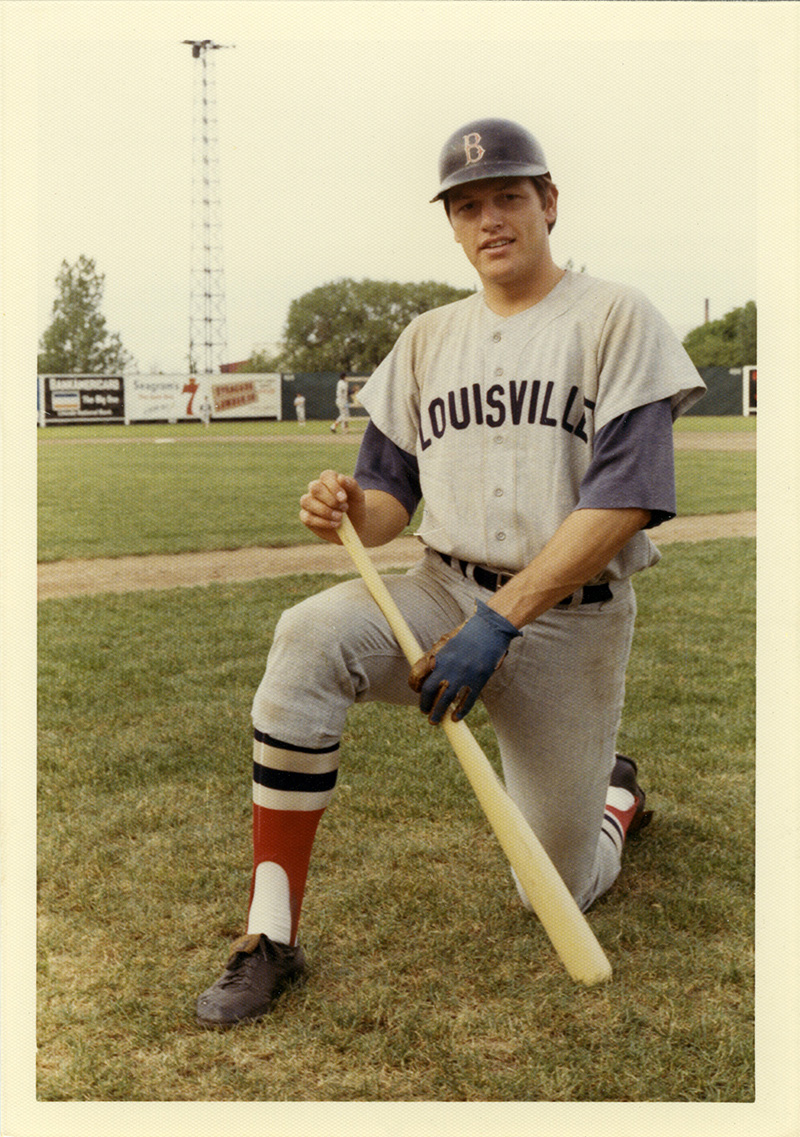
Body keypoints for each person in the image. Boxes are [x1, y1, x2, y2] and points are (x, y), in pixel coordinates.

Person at [196, 118, 705, 1028]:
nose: (490, 219)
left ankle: (613, 799)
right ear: (453, 226)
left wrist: (502, 618)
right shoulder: (429, 338)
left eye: (509, 196)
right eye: (468, 206)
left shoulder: (617, 316)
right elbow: (389, 495)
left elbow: (626, 497)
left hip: (565, 620)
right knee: (309, 634)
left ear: (549, 202)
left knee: (553, 885)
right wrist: (346, 506)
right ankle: (267, 933)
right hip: (438, 592)